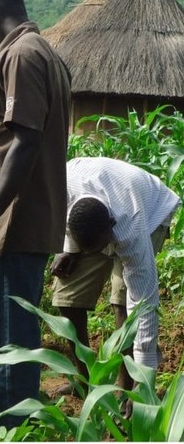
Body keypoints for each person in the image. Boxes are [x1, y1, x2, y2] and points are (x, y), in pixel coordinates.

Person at [0, 0, 71, 429]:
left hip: (10, 228)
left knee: (3, 348)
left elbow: (25, 144)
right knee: (15, 339)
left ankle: (7, 433)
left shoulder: (22, 56)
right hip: (20, 226)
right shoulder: (44, 53)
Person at [50, 157, 181, 399]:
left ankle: (127, 387)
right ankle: (85, 381)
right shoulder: (61, 191)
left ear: (111, 228)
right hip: (91, 214)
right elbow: (66, 225)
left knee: (124, 306)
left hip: (150, 212)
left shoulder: (130, 229)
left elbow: (144, 307)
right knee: (67, 297)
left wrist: (146, 385)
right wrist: (69, 249)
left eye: (103, 246)